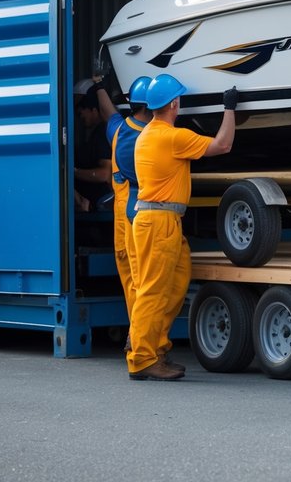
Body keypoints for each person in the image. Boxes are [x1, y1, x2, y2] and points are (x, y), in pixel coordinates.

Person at [127, 74, 239, 381]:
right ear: (175, 104)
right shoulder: (171, 137)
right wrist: (229, 107)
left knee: (175, 287)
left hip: (163, 221)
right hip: (158, 222)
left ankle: (152, 347)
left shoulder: (149, 134)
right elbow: (223, 144)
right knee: (153, 292)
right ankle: (141, 357)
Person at [94, 76, 154, 341]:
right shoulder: (153, 137)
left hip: (122, 218)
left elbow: (108, 112)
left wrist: (99, 87)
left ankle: (136, 332)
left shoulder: (118, 129)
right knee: (145, 280)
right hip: (141, 212)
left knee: (131, 280)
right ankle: (140, 336)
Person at [73, 88, 112, 212]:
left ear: (94, 110)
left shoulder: (102, 133)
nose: (80, 117)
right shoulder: (96, 133)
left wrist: (72, 173)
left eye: (81, 113)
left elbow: (105, 174)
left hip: (100, 204)